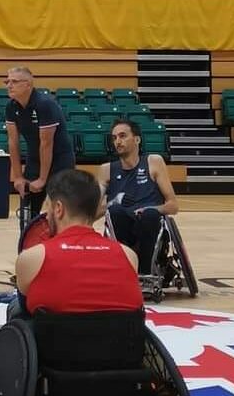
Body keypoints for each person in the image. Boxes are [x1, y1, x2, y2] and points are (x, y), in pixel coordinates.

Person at [14, 169, 144, 315]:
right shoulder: (129, 256)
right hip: (119, 337)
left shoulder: (31, 258)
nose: (46, 216)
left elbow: (25, 307)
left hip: (56, 337)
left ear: (58, 209)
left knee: (16, 308)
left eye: (47, 207)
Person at [96, 119, 178, 275]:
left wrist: (149, 208)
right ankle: (125, 267)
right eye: (114, 138)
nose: (118, 142)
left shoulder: (153, 162)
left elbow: (173, 206)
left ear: (137, 139)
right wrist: (113, 201)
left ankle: (145, 271)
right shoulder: (106, 170)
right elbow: (91, 214)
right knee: (116, 211)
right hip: (122, 227)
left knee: (150, 215)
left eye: (122, 136)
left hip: (149, 225)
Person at [3, 65, 75, 217]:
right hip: (35, 159)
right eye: (7, 81)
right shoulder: (11, 107)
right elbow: (13, 142)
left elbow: (46, 144)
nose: (9, 85)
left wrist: (42, 179)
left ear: (28, 84)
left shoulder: (44, 104)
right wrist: (17, 177)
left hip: (60, 160)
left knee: (60, 210)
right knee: (28, 212)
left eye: (14, 81)